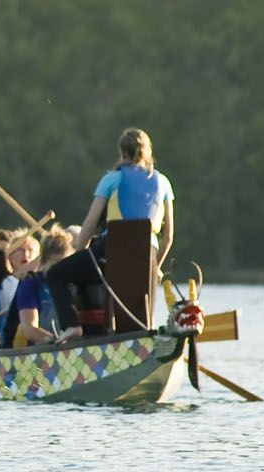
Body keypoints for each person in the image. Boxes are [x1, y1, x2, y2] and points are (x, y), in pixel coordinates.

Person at [46, 128, 176, 339]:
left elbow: (89, 224)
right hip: (147, 256)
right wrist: (155, 269)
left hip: (109, 252)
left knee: (55, 274)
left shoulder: (111, 180)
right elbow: (168, 236)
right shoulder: (164, 183)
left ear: (122, 152)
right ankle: (142, 337)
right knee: (141, 304)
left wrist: (79, 253)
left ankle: (72, 326)